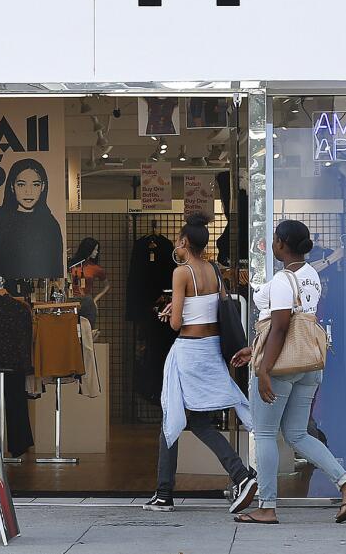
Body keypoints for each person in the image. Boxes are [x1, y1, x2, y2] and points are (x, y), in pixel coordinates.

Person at [231, 219, 346, 525]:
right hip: (308, 364)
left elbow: (280, 328)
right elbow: (296, 326)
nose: (273, 243)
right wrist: (256, 349)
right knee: (297, 433)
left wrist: (263, 367)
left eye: (275, 239)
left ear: (282, 244)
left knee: (265, 433)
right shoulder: (311, 276)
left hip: (280, 365)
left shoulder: (283, 281)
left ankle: (267, 507)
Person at [143, 214, 258, 514]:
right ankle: (238, 476)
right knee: (198, 421)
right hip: (211, 349)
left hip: (189, 351)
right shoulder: (214, 269)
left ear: (182, 242)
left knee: (172, 418)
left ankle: (166, 493)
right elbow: (220, 307)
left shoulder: (182, 272)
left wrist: (169, 314)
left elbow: (177, 323)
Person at [0, 158, 64, 280]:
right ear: (12, 186)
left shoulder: (50, 225)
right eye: (21, 184)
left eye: (35, 184)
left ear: (43, 187)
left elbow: (56, 273)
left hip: (36, 296)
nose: (28, 192)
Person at [69, 237, 109, 326]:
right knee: (71, 332)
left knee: (86, 332)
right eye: (95, 250)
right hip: (70, 300)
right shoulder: (71, 265)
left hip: (86, 301)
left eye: (97, 250)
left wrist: (95, 300)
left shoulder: (95, 268)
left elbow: (107, 285)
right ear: (88, 249)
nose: (96, 252)